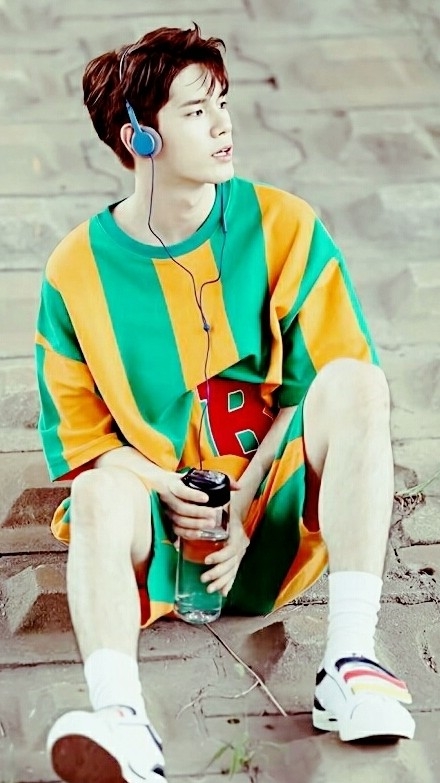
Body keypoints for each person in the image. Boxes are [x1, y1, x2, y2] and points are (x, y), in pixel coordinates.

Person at [35, 22, 415, 783]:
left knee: (359, 382)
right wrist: (167, 486)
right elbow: (84, 444)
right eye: (195, 110)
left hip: (275, 511)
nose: (222, 124)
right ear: (140, 139)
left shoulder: (283, 225)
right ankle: (122, 720)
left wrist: (243, 499)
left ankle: (351, 662)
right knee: (97, 491)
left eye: (223, 103)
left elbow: (315, 392)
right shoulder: (76, 270)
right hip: (160, 533)